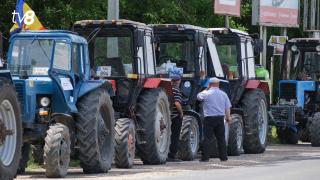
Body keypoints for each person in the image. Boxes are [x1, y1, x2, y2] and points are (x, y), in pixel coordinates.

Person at [197, 77, 232, 162]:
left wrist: (206, 89)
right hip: (220, 119)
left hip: (209, 118)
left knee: (207, 138)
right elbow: (227, 107)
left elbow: (198, 97)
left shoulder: (206, 93)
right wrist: (228, 117)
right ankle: (223, 157)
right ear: (218, 84)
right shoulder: (223, 94)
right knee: (221, 138)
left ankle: (205, 158)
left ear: (209, 84)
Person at [167, 69, 184, 162]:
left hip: (168, 115)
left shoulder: (166, 88)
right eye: (176, 80)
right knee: (175, 136)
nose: (176, 81)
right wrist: (181, 113)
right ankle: (172, 156)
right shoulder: (176, 90)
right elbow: (177, 103)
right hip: (175, 116)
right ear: (179, 80)